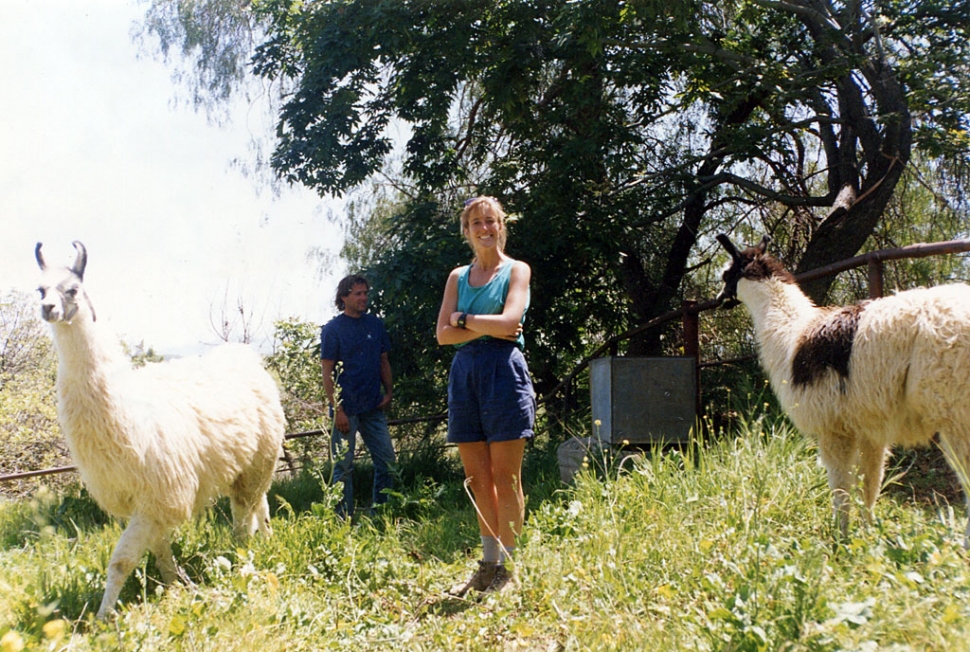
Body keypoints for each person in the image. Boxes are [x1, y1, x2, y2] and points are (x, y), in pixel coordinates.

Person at [436, 196, 536, 596]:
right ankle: (488, 563)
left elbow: (512, 323)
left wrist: (464, 320)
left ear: (501, 226)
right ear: (467, 230)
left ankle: (509, 567)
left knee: (505, 475)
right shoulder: (457, 277)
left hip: (504, 371)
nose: (484, 228)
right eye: (476, 222)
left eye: (491, 221)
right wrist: (483, 325)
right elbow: (443, 335)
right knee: (478, 478)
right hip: (465, 375)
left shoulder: (517, 270)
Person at [321, 274, 396, 518]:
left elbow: (384, 360)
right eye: (358, 294)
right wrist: (338, 410)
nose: (364, 298)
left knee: (387, 461)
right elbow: (327, 372)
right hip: (346, 411)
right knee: (342, 468)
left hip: (373, 406)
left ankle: (382, 512)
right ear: (344, 297)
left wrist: (389, 391)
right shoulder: (333, 330)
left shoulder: (375, 324)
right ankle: (342, 520)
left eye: (365, 293)